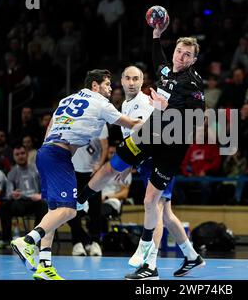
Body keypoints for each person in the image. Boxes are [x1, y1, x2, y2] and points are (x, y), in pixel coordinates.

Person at [77, 22, 206, 280]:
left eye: (187, 54)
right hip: (151, 134)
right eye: (179, 51)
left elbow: (197, 118)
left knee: (154, 205)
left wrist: (166, 107)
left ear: (194, 59)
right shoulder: (166, 71)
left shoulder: (192, 83)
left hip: (172, 143)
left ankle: (150, 266)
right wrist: (157, 35)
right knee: (124, 173)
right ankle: (80, 199)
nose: (181, 56)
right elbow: (158, 58)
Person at [10, 69, 141, 280]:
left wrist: (48, 152)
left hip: (45, 152)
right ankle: (27, 241)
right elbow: (132, 124)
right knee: (69, 210)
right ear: (95, 86)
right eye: (107, 84)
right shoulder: (100, 102)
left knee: (53, 211)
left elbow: (51, 125)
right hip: (59, 156)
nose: (110, 88)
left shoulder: (66, 100)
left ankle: (44, 265)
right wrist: (159, 124)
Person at [119, 65, 206, 277]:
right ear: (121, 81)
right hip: (146, 162)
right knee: (165, 214)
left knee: (155, 209)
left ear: (142, 81)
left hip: (157, 161)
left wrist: (128, 163)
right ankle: (192, 256)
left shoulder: (143, 102)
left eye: (136, 78)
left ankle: (150, 266)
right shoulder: (125, 103)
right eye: (127, 78)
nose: (131, 82)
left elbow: (150, 135)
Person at [69, 122, 109, 257]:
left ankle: (95, 242)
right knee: (73, 210)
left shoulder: (101, 122)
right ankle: (77, 243)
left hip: (93, 173)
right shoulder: (74, 119)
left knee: (95, 209)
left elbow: (105, 146)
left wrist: (100, 164)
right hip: (74, 171)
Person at [0, 145, 47, 246]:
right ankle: (5, 239)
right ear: (14, 157)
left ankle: (35, 239)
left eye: (22, 153)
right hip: (20, 202)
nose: (20, 156)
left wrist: (41, 195)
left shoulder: (37, 169)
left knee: (44, 205)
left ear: (27, 154)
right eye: (17, 154)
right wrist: (13, 194)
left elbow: (46, 188)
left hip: (35, 201)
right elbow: (8, 193)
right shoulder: (12, 173)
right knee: (4, 206)